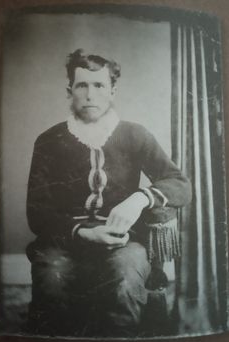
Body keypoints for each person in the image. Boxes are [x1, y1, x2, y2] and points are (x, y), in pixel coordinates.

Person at [26, 49, 191, 337]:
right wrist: (82, 232)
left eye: (99, 85)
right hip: (65, 241)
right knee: (51, 282)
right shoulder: (49, 141)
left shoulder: (135, 135)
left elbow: (179, 183)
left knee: (126, 281)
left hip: (123, 242)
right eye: (82, 85)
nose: (91, 94)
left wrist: (141, 198)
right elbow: (37, 213)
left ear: (112, 91)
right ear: (70, 91)